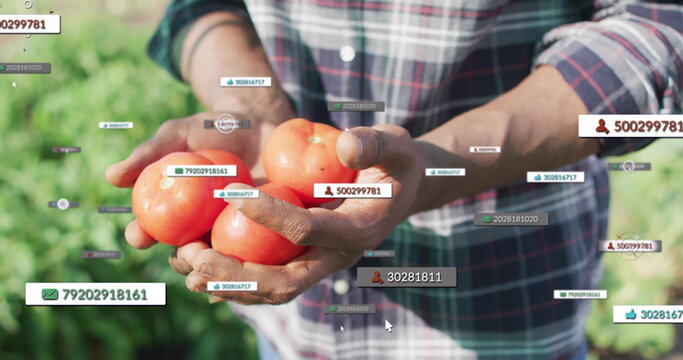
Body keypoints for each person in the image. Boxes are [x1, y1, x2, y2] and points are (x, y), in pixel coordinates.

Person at [106, 1, 682, 359]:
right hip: (294, 335)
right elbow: (201, 5)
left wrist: (434, 166)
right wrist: (245, 101)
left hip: (498, 315)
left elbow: (659, 30)